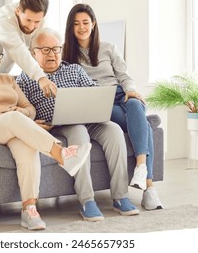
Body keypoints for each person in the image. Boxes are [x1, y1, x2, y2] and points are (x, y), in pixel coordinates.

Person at [0, 33, 92, 230]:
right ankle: (62, 154)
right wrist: (7, 114)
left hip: (10, 127)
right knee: (14, 118)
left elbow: (29, 109)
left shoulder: (8, 80)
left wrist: (19, 114)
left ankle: (29, 210)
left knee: (28, 148)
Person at [17, 28, 140, 222]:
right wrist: (32, 123)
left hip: (90, 119)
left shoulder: (74, 70)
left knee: (115, 130)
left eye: (56, 49)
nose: (52, 54)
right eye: (46, 50)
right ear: (34, 53)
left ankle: (120, 196)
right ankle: (87, 200)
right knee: (79, 132)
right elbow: (20, 109)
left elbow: (94, 92)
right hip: (58, 126)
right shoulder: (25, 78)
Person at [62, 3, 163, 211]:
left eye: (86, 22)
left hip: (119, 93)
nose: (82, 27)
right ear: (71, 27)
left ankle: (142, 168)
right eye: (76, 24)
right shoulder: (66, 53)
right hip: (99, 101)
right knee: (144, 126)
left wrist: (131, 89)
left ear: (93, 24)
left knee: (136, 103)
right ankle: (149, 188)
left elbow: (124, 75)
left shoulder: (109, 48)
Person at [0, 0, 57, 98]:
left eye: (37, 22)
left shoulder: (39, 20)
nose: (31, 26)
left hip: (1, 76)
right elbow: (18, 50)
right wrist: (40, 77)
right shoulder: (4, 20)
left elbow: (34, 50)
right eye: (28, 20)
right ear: (18, 11)